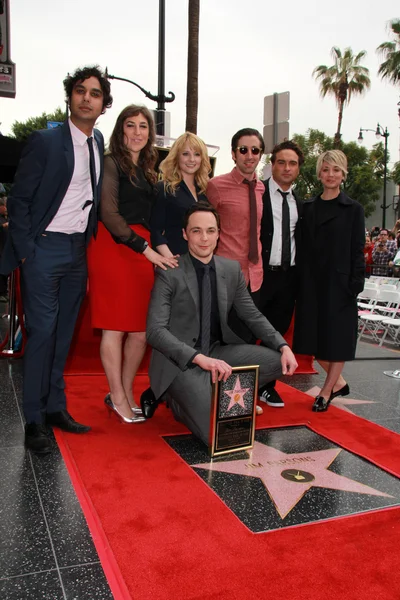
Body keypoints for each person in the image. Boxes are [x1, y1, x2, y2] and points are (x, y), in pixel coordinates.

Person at [0, 66, 112, 454]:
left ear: (103, 105)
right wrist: (27, 250)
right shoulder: (46, 141)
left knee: (62, 336)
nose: (86, 98)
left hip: (77, 251)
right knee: (43, 334)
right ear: (70, 97)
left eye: (94, 93)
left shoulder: (98, 140)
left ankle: (54, 408)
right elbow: (19, 199)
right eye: (80, 91)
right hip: (43, 250)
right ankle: (33, 420)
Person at [142, 204, 298, 444]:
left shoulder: (230, 269)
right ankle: (175, 399)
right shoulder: (169, 271)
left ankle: (211, 390)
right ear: (185, 234)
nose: (204, 238)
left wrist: (282, 346)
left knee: (278, 363)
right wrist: (198, 358)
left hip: (217, 351)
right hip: (180, 362)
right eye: (196, 231)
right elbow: (155, 331)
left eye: (210, 230)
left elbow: (252, 315)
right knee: (217, 435)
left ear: (218, 234)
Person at [87, 105, 177, 424]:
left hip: (143, 251)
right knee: (114, 328)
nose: (137, 132)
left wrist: (161, 250)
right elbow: (109, 214)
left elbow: (156, 218)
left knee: (140, 332)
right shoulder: (111, 163)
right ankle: (119, 394)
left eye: (143, 126)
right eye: (131, 125)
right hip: (114, 247)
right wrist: (147, 250)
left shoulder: (151, 170)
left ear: (150, 134)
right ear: (120, 130)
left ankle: (121, 393)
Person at [293, 150, 365, 412]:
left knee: (337, 341)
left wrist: (355, 283)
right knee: (310, 341)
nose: (330, 175)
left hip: (340, 285)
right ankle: (339, 382)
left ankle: (326, 391)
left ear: (343, 174)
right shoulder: (307, 208)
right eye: (326, 169)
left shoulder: (353, 209)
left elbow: (358, 249)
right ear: (319, 173)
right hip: (312, 284)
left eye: (336, 170)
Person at [206, 128, 266, 413]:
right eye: (243, 150)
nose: (249, 155)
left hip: (254, 276)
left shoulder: (261, 188)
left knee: (245, 339)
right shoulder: (217, 186)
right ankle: (213, 395)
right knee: (221, 340)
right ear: (233, 153)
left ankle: (239, 398)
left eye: (255, 150)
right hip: (224, 277)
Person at [258, 140, 304, 408]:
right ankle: (237, 386)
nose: (287, 168)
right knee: (245, 331)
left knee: (276, 335)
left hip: (287, 278)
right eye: (281, 162)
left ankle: (267, 385)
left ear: (298, 169)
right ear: (272, 165)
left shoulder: (300, 202)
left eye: (293, 163)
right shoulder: (258, 194)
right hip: (259, 275)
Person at [151, 132, 211, 257]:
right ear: (176, 157)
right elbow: (155, 230)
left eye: (197, 154)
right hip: (174, 259)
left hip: (200, 261)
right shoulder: (164, 189)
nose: (191, 159)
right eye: (185, 154)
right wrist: (170, 259)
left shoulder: (205, 191)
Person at [0, 197, 8, 300]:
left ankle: (3, 291)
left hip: (4, 250)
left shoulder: (5, 218)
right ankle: (1, 292)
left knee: (4, 272)